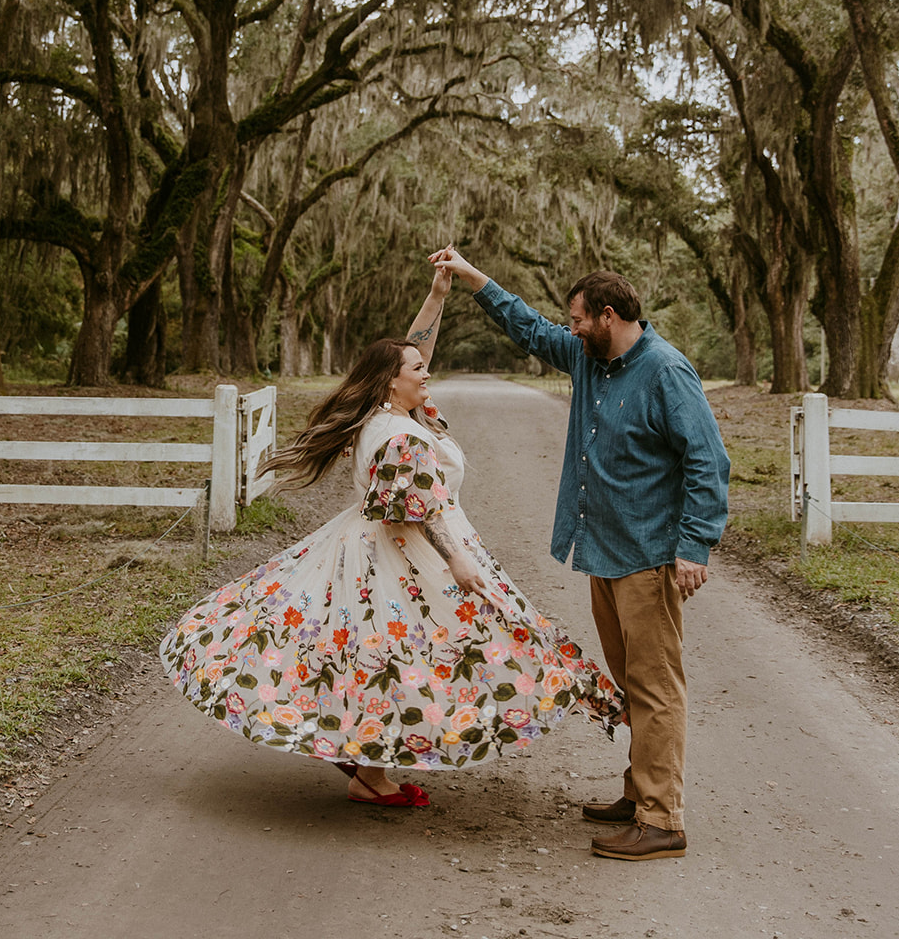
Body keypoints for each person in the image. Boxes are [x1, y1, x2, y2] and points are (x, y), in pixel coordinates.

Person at [159, 266, 625, 807]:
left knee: (375, 656)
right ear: (391, 382)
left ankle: (366, 767)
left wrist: (436, 296)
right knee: (413, 651)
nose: (426, 373)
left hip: (378, 546)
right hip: (402, 552)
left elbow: (414, 348)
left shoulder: (396, 413)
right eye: (416, 370)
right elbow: (414, 508)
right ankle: (370, 772)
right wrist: (456, 562)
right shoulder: (400, 433)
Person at [428, 250, 729, 859]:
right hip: (605, 551)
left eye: (578, 320)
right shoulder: (590, 360)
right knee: (630, 682)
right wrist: (471, 277)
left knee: (655, 686)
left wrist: (694, 546)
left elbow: (707, 461)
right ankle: (640, 792)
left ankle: (661, 819)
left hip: (648, 556)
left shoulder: (666, 372)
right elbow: (529, 327)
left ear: (608, 316)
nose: (569, 330)